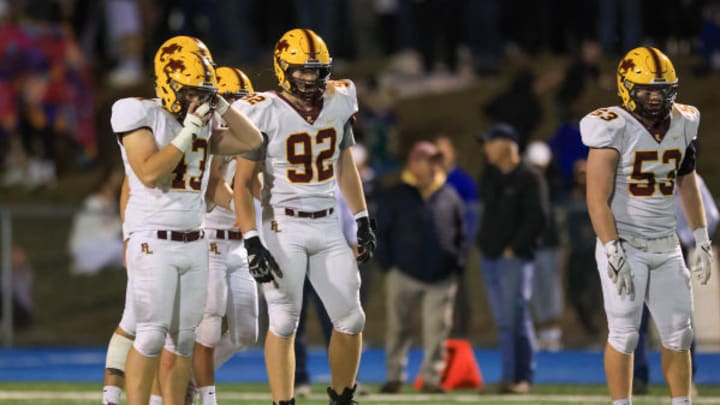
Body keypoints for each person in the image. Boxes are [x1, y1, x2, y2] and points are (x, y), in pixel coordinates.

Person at [110, 34, 262, 405]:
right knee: (148, 335)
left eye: (203, 92)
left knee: (182, 340)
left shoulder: (205, 123)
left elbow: (252, 140)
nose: (197, 100)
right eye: (193, 90)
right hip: (153, 239)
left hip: (194, 240)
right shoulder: (137, 112)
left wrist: (221, 103)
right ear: (169, 80)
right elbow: (149, 172)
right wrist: (191, 129)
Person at [231, 28, 376, 405]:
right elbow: (243, 184)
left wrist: (360, 217)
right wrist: (251, 240)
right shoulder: (260, 108)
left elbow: (344, 165)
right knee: (283, 321)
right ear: (282, 68)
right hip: (283, 224)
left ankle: (342, 398)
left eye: (318, 70)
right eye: (303, 70)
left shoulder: (341, 98)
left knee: (352, 318)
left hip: (328, 221)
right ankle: (284, 402)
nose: (312, 78)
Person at [581, 46, 713, 405]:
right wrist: (611, 247)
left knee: (679, 334)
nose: (655, 97)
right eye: (647, 89)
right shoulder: (611, 125)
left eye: (663, 89)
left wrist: (700, 236)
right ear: (626, 87)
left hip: (666, 244)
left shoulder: (685, 121)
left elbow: (687, 181)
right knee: (624, 335)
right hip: (624, 243)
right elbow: (596, 199)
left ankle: (681, 402)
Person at [189, 66, 259, 405]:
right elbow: (215, 184)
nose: (239, 108)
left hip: (240, 246)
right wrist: (241, 209)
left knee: (247, 332)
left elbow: (258, 185)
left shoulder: (248, 137)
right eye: (232, 100)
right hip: (211, 240)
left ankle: (187, 378)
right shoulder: (207, 134)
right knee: (210, 324)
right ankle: (205, 395)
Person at [375, 140, 465, 394]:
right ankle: (394, 376)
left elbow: (460, 233)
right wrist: (388, 266)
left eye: (436, 160)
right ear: (414, 163)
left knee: (437, 330)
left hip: (441, 275)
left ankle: (431, 379)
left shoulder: (449, 193)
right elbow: (382, 232)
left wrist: (457, 262)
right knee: (397, 328)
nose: (435, 164)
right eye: (429, 159)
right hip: (402, 273)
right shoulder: (396, 194)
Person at [476, 123, 549, 394]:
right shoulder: (492, 176)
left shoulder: (530, 178)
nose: (485, 148)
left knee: (516, 318)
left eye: (490, 142)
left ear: (507, 144)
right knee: (505, 322)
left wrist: (515, 247)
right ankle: (509, 377)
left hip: (514, 259)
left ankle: (523, 378)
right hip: (491, 257)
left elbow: (538, 218)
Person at [633, 173, 719, 396]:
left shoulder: (689, 178)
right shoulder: (642, 172)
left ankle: (686, 379)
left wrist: (688, 238)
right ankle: (636, 378)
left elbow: (710, 215)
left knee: (679, 318)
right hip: (640, 248)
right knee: (634, 318)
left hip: (673, 250)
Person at [434, 135, 479, 338]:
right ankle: (440, 330)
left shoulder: (463, 181)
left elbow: (471, 214)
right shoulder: (430, 181)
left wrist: (464, 241)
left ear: (453, 154)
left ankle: (461, 331)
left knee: (457, 288)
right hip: (434, 245)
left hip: (455, 245)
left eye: (444, 151)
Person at [68, 166, 124, 275]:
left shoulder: (110, 204)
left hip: (103, 242)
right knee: (120, 248)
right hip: (88, 244)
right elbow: (102, 229)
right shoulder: (93, 202)